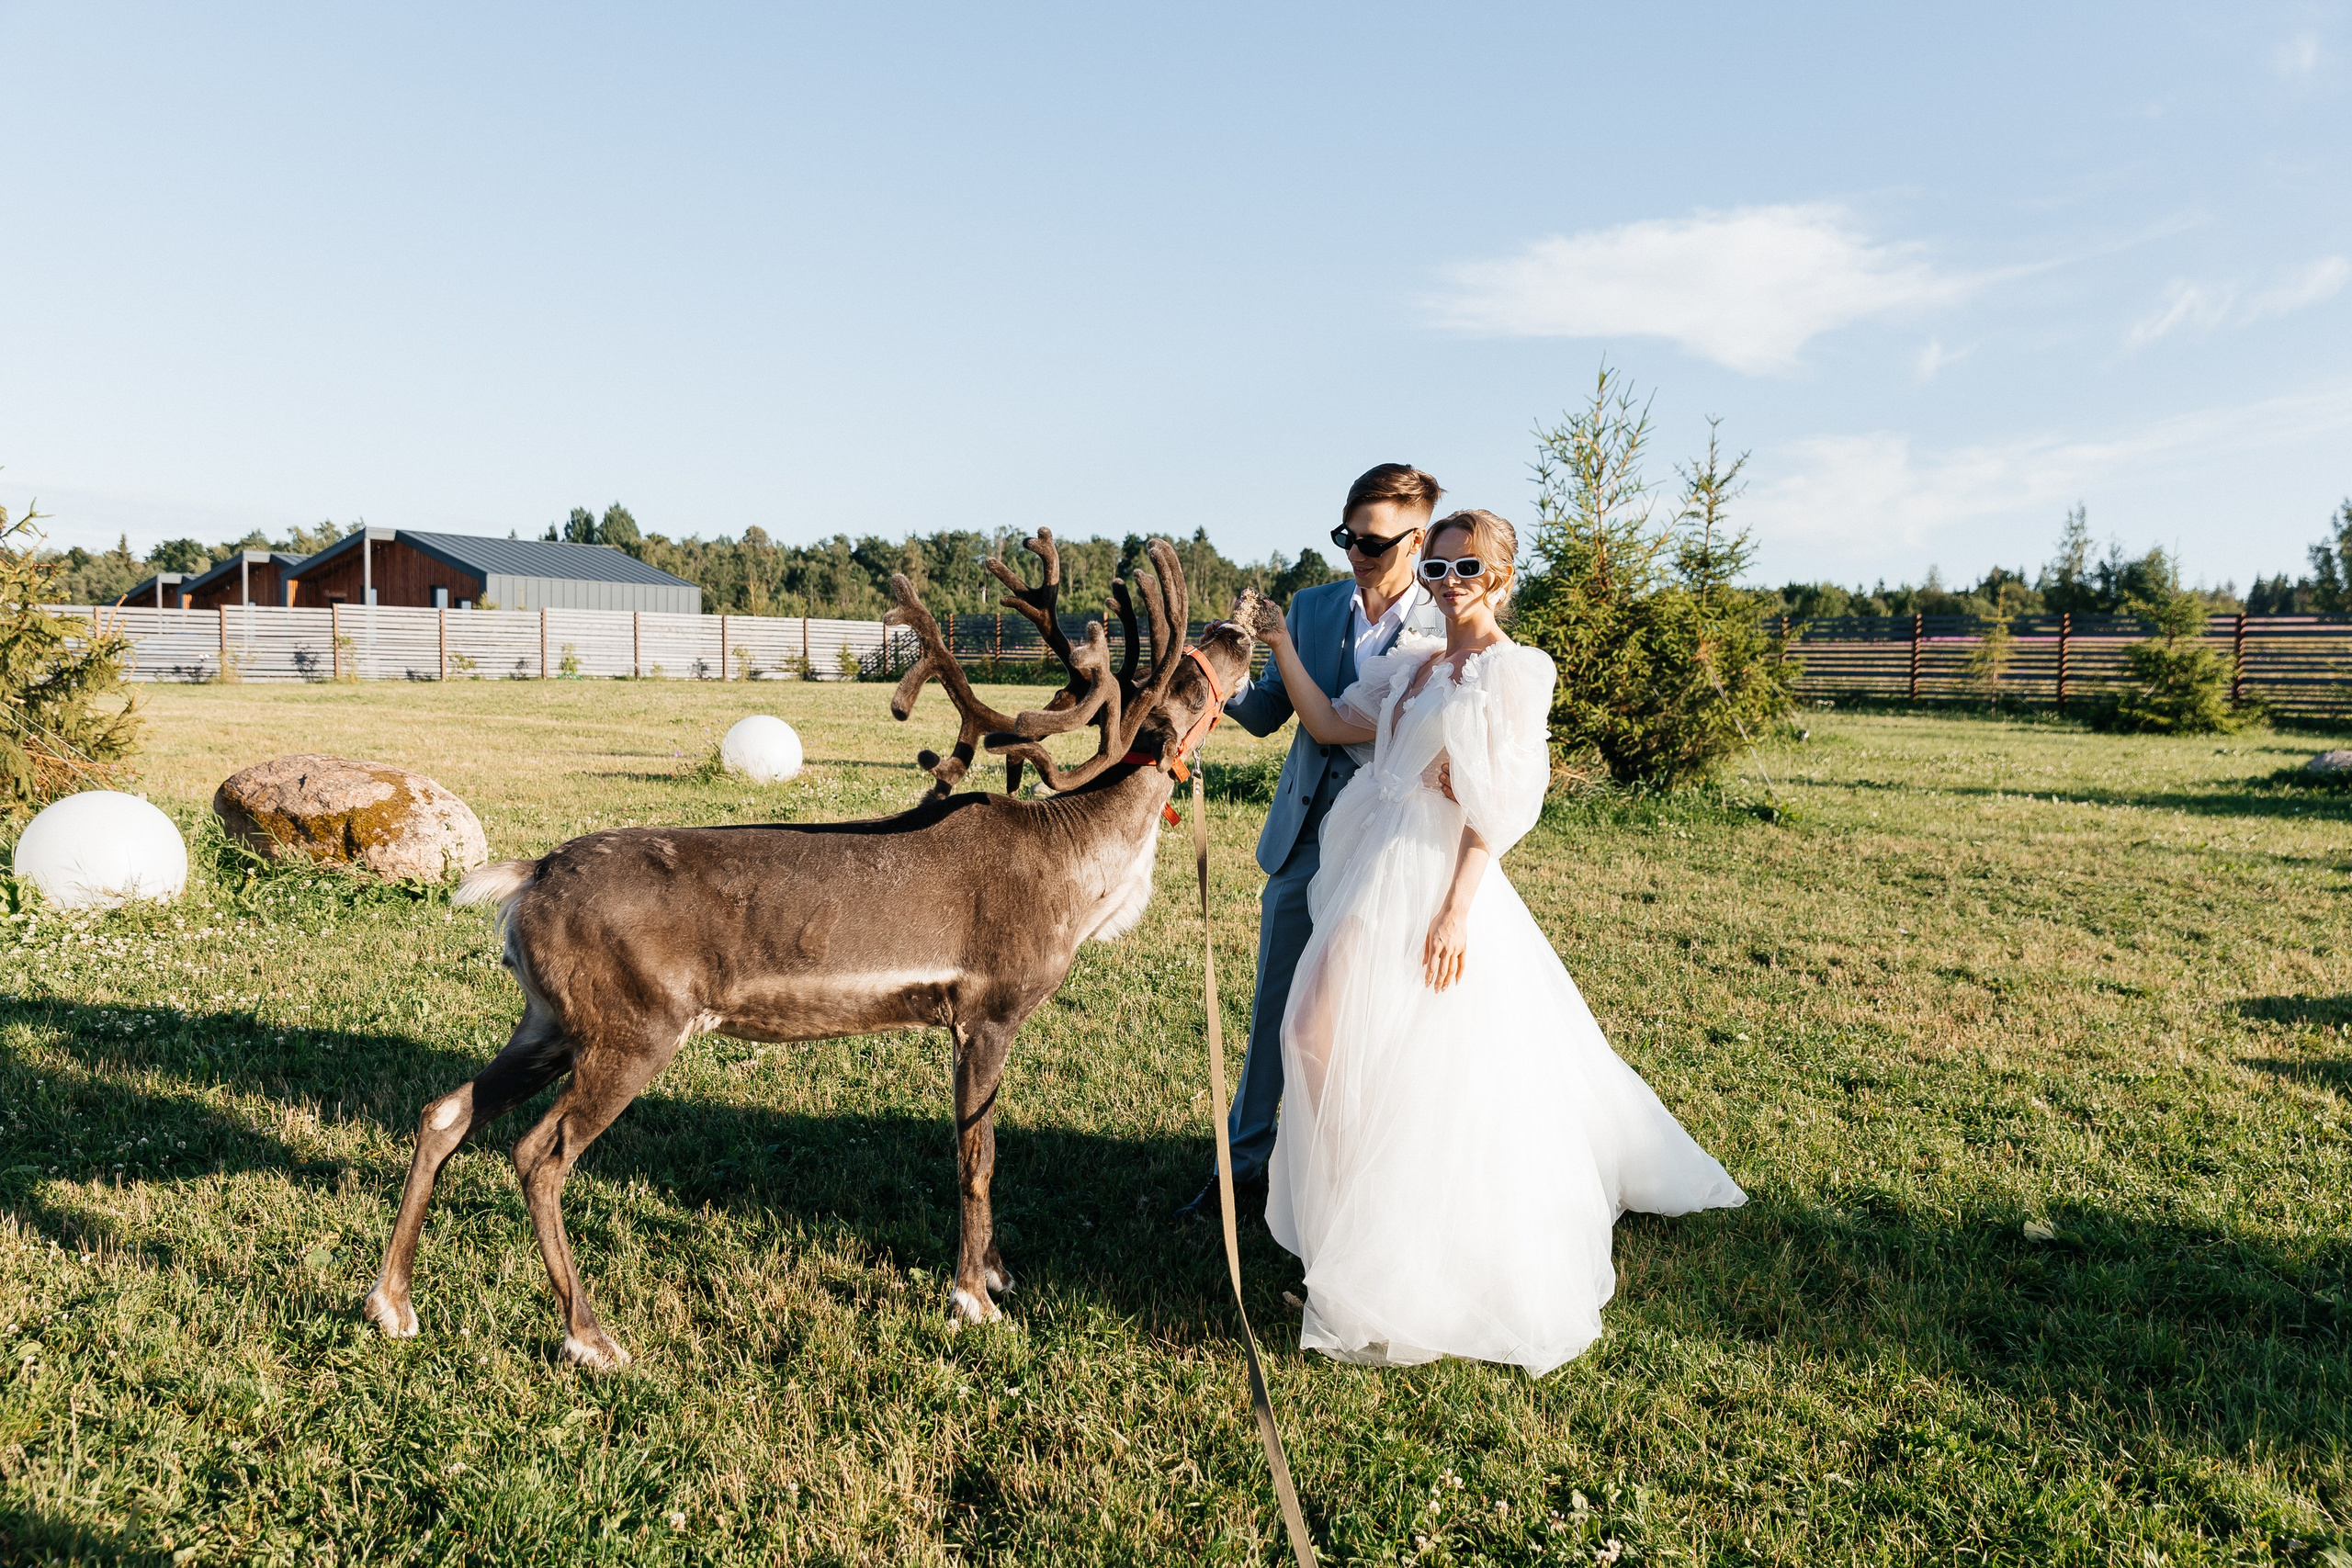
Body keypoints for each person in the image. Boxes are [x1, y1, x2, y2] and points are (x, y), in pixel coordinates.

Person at [1238, 508, 1745, 1375]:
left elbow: (1502, 806)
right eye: (1434, 570)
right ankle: (1352, 1231)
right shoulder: (1411, 667)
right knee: (1316, 1035)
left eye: (1465, 569)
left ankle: (1391, 1256)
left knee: (1405, 1062)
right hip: (1371, 867)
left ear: (1502, 579)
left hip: (1438, 882)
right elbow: (1324, 723)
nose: (1448, 584)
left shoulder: (1514, 673)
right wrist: (1281, 640)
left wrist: (1456, 910)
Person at [1175, 463, 1446, 1223]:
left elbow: (1335, 720)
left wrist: (1282, 646)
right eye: (1345, 536)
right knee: (1274, 1005)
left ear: (1417, 538)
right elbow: (1267, 714)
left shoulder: (1441, 622)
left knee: (1367, 1013)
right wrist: (1209, 675)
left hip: (1385, 847)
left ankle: (1350, 1176)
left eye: (1372, 541)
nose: (1355, 552)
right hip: (1302, 839)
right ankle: (1245, 1169)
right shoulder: (1315, 605)